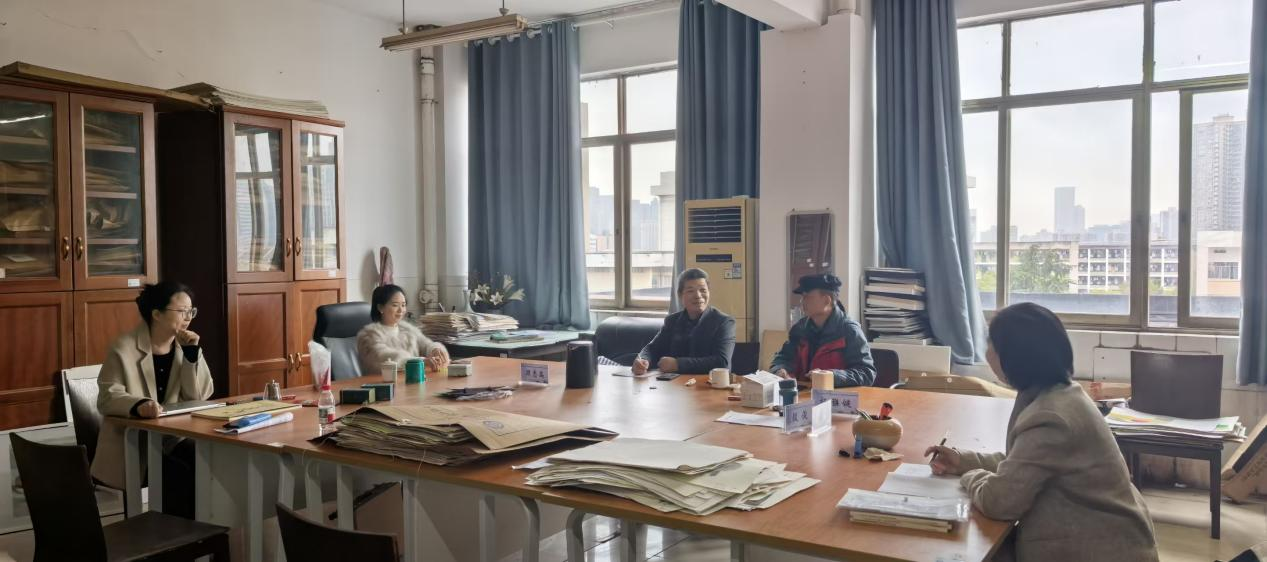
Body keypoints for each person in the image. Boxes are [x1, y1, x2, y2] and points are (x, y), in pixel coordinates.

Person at [924, 303, 1158, 562]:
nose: (987, 351)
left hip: (1096, 550)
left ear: (1012, 356)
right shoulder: (1062, 393)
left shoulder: (1051, 417)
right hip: (1102, 540)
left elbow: (999, 501)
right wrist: (963, 460)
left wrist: (969, 476)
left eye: (992, 343)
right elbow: (1023, 464)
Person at [95, 281, 214, 519]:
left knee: (207, 456)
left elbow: (200, 396)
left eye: (191, 311)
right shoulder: (124, 347)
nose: (188, 318)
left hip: (172, 437)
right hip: (135, 444)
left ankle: (204, 529)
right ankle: (176, 532)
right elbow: (108, 397)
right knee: (180, 469)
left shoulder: (185, 346)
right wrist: (139, 405)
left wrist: (191, 355)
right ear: (157, 314)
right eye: (182, 311)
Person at [770, 274, 876, 387]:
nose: (802, 301)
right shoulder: (799, 328)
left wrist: (832, 376)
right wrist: (780, 370)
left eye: (807, 297)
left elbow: (867, 373)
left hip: (837, 395)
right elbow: (783, 358)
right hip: (804, 394)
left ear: (826, 300)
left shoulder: (849, 330)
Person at [633, 268, 736, 375]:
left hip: (707, 383)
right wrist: (642, 360)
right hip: (675, 383)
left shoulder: (724, 322)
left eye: (703, 290)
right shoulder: (672, 321)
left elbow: (722, 363)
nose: (698, 295)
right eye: (690, 291)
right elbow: (652, 348)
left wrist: (678, 364)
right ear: (680, 295)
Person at [357, 284, 449, 373]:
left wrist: (435, 350)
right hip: (382, 382)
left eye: (403, 305)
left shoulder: (408, 329)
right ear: (380, 307)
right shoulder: (369, 335)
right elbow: (388, 358)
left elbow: (426, 344)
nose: (401, 310)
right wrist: (421, 361)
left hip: (410, 380)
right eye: (395, 305)